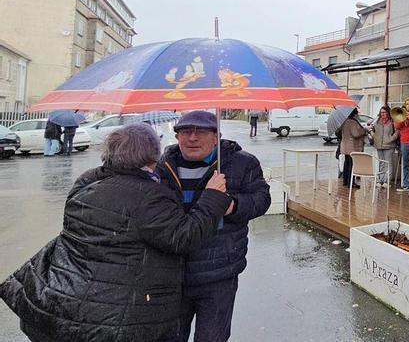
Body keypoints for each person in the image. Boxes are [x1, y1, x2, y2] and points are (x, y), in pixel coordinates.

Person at [0, 124, 230, 342]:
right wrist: (212, 197)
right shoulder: (150, 196)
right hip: (116, 315)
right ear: (150, 155)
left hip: (66, 299)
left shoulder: (88, 181)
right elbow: (184, 237)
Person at [156, 110, 270, 342]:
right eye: (185, 131)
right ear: (176, 136)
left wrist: (232, 205)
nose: (192, 138)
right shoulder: (163, 166)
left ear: (216, 136)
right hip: (173, 273)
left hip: (219, 273)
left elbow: (261, 199)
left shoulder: (242, 163)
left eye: (201, 132)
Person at [338, 108, 368, 189]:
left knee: (347, 163)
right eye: (357, 113)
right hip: (352, 147)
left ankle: (345, 181)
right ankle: (350, 183)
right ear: (354, 114)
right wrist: (364, 130)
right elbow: (356, 133)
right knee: (352, 165)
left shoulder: (345, 121)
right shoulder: (352, 122)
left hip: (345, 146)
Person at [371, 105, 399, 186]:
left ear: (388, 113)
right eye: (381, 112)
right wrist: (374, 136)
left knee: (388, 163)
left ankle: (387, 181)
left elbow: (397, 131)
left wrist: (391, 138)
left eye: (384, 112)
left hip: (389, 145)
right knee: (381, 163)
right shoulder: (377, 121)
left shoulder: (392, 121)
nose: (382, 114)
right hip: (379, 145)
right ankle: (380, 180)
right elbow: (373, 131)